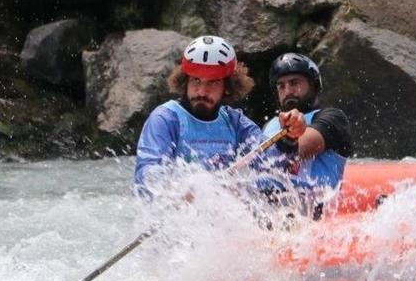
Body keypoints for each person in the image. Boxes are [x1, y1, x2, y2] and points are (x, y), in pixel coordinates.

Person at [133, 36, 306, 195]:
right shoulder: (166, 119)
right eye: (196, 80)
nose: (202, 91)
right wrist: (179, 190)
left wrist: (289, 139)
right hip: (177, 213)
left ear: (228, 87)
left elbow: (273, 166)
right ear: (185, 81)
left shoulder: (234, 122)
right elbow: (147, 176)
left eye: (213, 82)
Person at [261, 53, 353, 216]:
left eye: (294, 83)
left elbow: (299, 149)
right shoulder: (269, 126)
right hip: (271, 210)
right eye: (281, 86)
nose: (288, 91)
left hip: (315, 215)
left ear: (313, 85)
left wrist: (288, 140)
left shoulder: (333, 118)